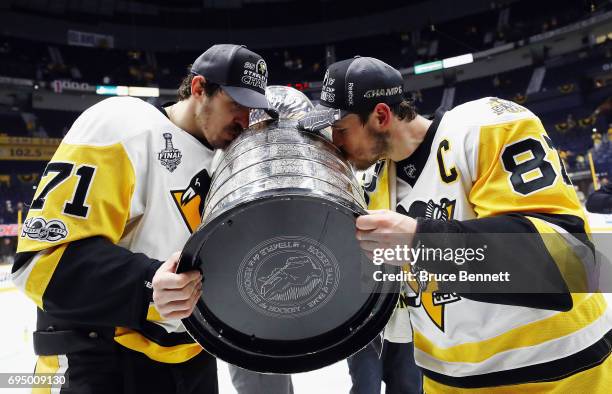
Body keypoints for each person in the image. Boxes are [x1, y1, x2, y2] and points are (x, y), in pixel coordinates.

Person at [300, 56, 612, 393]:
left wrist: (422, 241)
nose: (337, 143)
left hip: (559, 374)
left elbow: (571, 261)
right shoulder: (372, 187)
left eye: (342, 130)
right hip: (447, 382)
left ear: (380, 115)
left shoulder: (486, 128)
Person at [12, 44, 271, 393]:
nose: (244, 120)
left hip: (193, 359)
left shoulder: (228, 161)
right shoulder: (125, 125)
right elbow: (41, 265)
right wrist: (146, 283)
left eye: (252, 109)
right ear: (198, 88)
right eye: (235, 104)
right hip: (106, 361)